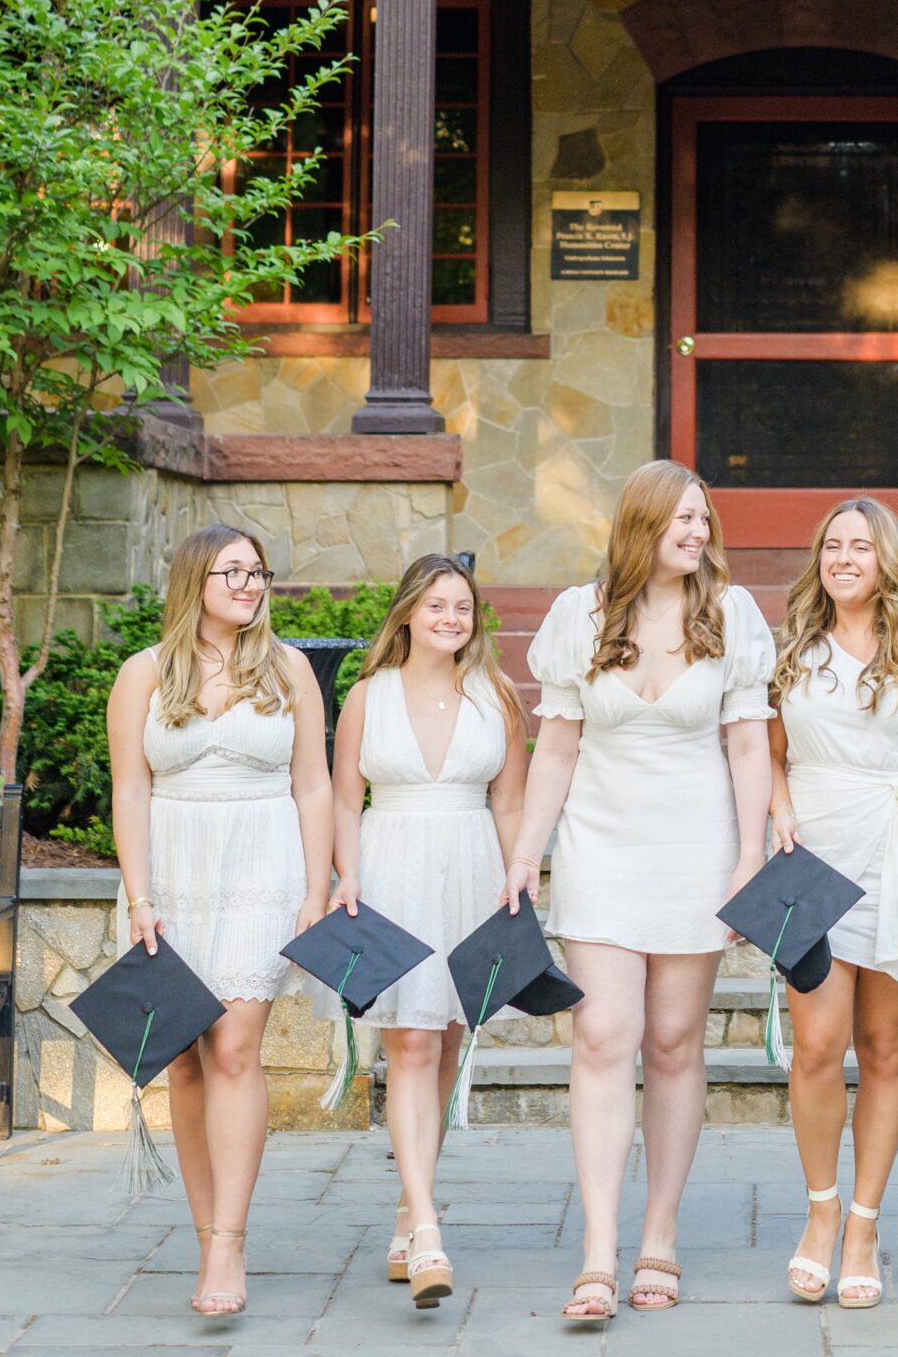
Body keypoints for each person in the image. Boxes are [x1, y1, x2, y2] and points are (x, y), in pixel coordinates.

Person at [505, 461, 774, 1321]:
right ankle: (596, 1246)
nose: (696, 533)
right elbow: (554, 748)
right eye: (680, 521)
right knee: (601, 1033)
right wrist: (525, 853)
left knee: (671, 1042)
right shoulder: (575, 617)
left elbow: (745, 746)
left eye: (703, 519)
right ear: (640, 526)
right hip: (599, 844)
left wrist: (751, 855)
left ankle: (659, 1232)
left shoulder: (731, 615)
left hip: (698, 847)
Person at [107, 523, 332, 1321]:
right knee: (185, 1064)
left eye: (258, 571)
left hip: (263, 867)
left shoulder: (289, 669)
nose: (249, 583)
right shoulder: (143, 674)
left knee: (234, 1046)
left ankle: (230, 1242)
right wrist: (139, 897)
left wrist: (317, 884)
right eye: (232, 571)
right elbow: (130, 792)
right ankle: (205, 1235)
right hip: (172, 873)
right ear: (194, 579)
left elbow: (315, 785)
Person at [769, 497, 898, 1311]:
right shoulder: (790, 656)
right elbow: (767, 757)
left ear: (886, 561)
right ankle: (819, 1213)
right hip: (813, 853)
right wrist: (778, 809)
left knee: (884, 1047)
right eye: (831, 546)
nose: (843, 558)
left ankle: (862, 1225)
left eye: (860, 546)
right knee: (817, 1046)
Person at [326, 552, 528, 1308]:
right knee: (407, 1041)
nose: (451, 619)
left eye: (463, 608)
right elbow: (345, 799)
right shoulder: (366, 697)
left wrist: (520, 878)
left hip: (472, 868)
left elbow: (509, 801)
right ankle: (429, 1232)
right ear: (408, 612)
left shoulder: (496, 695)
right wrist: (346, 874)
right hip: (389, 871)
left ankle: (411, 1207)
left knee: (442, 1039)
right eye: (438, 605)